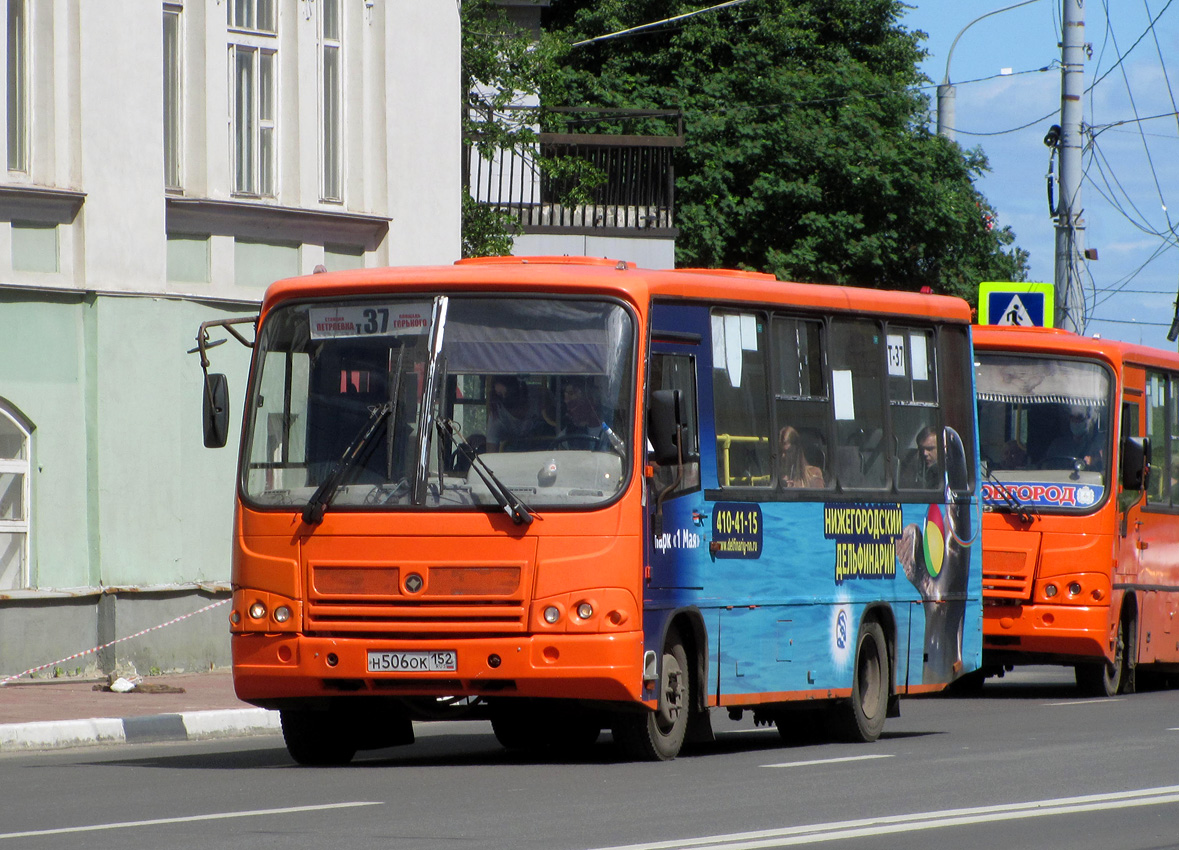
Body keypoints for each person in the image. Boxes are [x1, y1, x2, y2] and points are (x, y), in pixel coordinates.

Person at [555, 377, 621, 451]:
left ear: (591, 403)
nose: (568, 411)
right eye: (568, 406)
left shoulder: (614, 432)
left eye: (573, 405)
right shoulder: (566, 437)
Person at [485, 375, 550, 451]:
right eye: (499, 396)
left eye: (509, 394)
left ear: (519, 389)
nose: (505, 399)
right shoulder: (497, 417)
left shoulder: (540, 396)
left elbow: (558, 424)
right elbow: (491, 454)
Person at [1045, 404, 1104, 470]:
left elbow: (1107, 465)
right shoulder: (1057, 446)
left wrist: (1095, 460)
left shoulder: (1098, 445)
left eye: (1079, 418)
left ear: (1088, 419)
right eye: (1072, 418)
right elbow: (1047, 468)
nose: (1075, 422)